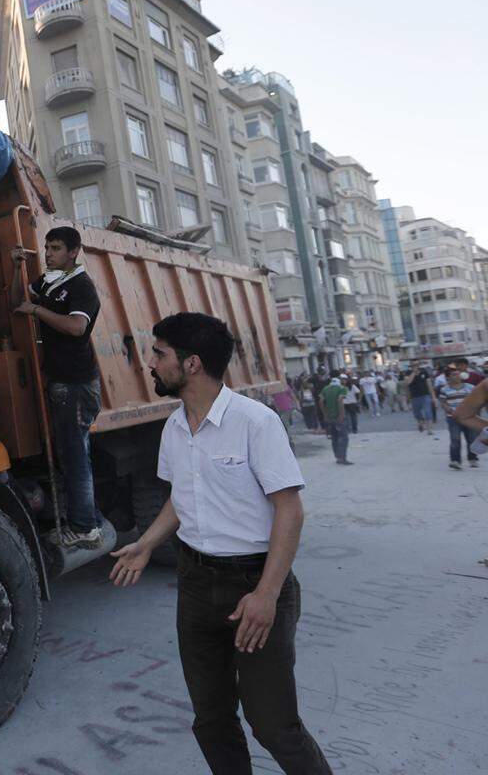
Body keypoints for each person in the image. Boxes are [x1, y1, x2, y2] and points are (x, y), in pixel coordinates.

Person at [109, 312, 333, 775]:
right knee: (211, 720)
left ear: (191, 364)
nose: (150, 363)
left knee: (273, 726)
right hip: (195, 585)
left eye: (159, 353)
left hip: (254, 584)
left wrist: (266, 596)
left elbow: (289, 510)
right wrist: (147, 543)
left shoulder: (255, 422)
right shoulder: (174, 427)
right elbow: (181, 497)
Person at [10, 226, 105, 549]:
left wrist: (37, 310)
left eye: (56, 248)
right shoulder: (51, 283)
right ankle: (82, 520)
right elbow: (17, 302)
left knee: (76, 457)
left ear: (73, 252)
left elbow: (77, 327)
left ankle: (85, 529)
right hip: (62, 382)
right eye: (47, 247)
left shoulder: (81, 286)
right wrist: (16, 268)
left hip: (77, 383)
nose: (48, 253)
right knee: (70, 454)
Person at [438, 371, 478, 470]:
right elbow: (443, 402)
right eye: (453, 374)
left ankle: (472, 458)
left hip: (468, 417)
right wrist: (448, 408)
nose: (456, 376)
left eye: (457, 374)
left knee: (472, 439)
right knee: (455, 439)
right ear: (449, 377)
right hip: (453, 418)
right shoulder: (444, 389)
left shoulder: (470, 387)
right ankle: (455, 461)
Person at [319, 377, 352, 465]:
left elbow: (321, 401)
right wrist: (341, 414)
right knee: (343, 437)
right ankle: (342, 458)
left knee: (334, 437)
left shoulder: (325, 389)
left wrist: (325, 414)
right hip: (339, 417)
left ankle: (337, 457)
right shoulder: (342, 388)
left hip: (329, 417)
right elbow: (340, 400)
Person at [407, 367, 436, 435]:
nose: (415, 366)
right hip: (414, 397)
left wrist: (433, 396)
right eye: (414, 365)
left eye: (417, 364)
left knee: (427, 411)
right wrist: (413, 373)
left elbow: (429, 384)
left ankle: (429, 429)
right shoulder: (408, 373)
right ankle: (420, 423)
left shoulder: (424, 372)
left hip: (425, 395)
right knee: (417, 413)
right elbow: (408, 382)